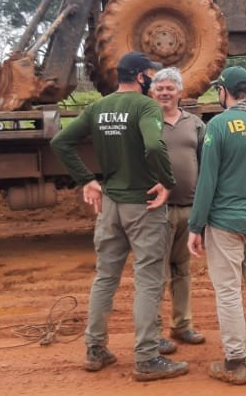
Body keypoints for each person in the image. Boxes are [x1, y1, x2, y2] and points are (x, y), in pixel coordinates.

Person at [50, 51, 189, 382]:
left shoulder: (98, 108)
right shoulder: (146, 107)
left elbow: (61, 142)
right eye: (151, 76)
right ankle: (146, 357)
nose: (154, 82)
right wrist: (167, 183)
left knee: (106, 277)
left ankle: (95, 349)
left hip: (110, 204)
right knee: (148, 279)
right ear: (140, 76)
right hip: (143, 205)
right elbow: (155, 147)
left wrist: (88, 180)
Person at [187, 66, 246, 386]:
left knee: (228, 292)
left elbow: (207, 181)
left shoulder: (218, 125)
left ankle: (234, 363)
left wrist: (195, 225)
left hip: (225, 223)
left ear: (224, 91)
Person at [149, 67, 206, 355]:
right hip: (157, 212)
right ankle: (154, 333)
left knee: (182, 271)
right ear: (151, 92)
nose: (165, 93)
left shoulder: (195, 124)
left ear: (180, 92)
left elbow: (204, 164)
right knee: (157, 275)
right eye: (159, 88)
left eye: (170, 88)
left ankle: (182, 325)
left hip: (189, 210)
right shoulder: (146, 124)